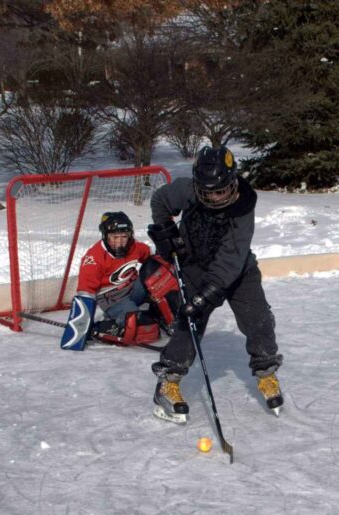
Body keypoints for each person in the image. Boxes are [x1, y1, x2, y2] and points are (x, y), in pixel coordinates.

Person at [146, 145, 283, 424]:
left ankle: (266, 374)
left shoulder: (243, 206)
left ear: (232, 182)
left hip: (239, 270)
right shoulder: (186, 190)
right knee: (189, 322)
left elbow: (231, 258)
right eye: (208, 192)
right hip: (195, 265)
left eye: (221, 190)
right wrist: (167, 232)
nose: (216, 197)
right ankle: (168, 382)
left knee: (259, 320)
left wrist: (208, 294)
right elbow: (160, 200)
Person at [60, 211, 180, 351]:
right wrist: (80, 328)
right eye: (114, 237)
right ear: (105, 236)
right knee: (146, 329)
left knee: (159, 270)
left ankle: (166, 316)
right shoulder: (94, 259)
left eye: (124, 236)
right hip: (113, 299)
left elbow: (152, 261)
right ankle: (104, 327)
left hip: (133, 289)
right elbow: (85, 294)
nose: (120, 242)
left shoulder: (135, 246)